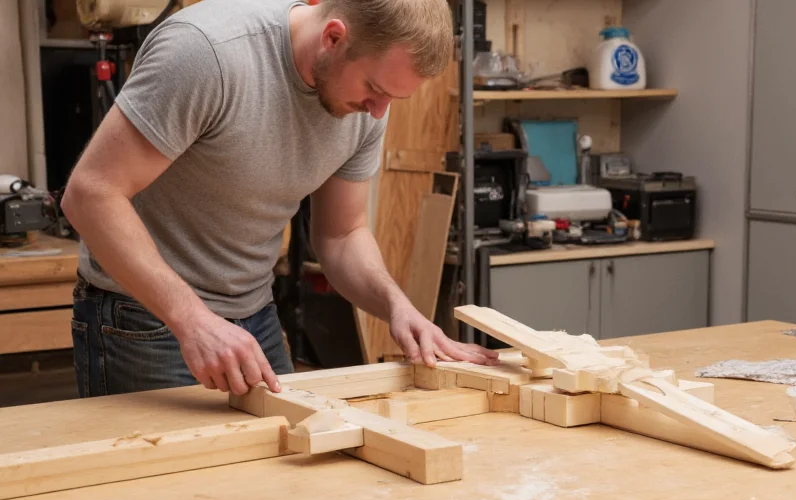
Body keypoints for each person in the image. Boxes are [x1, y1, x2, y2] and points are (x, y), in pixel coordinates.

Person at [61, 0, 498, 400]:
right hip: (144, 319)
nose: (379, 111)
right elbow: (90, 194)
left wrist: (397, 307)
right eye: (375, 89)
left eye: (392, 98)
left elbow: (343, 235)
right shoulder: (207, 53)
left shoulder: (365, 102)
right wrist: (191, 319)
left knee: (283, 473)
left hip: (253, 312)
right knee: (162, 483)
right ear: (333, 37)